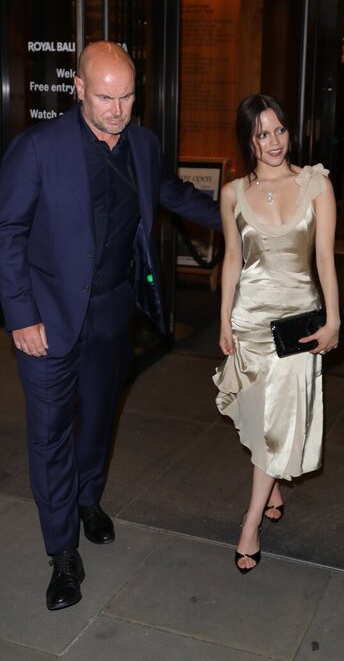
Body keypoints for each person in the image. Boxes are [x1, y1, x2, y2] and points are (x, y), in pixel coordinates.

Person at [0, 41, 221, 610]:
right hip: (47, 320)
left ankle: (87, 500)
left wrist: (246, 214)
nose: (118, 110)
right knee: (50, 435)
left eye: (127, 97)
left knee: (98, 421)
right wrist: (20, 316)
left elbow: (172, 194)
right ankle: (61, 553)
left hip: (111, 310)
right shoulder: (38, 148)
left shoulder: (143, 145)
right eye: (105, 98)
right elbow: (9, 233)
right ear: (78, 89)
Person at [212, 94, 340, 574]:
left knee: (277, 423)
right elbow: (233, 259)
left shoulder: (316, 183)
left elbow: (324, 257)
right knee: (255, 417)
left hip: (296, 326)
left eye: (280, 130)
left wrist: (333, 319)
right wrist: (224, 318)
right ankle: (273, 486)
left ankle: (250, 524)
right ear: (248, 139)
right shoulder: (232, 193)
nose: (273, 141)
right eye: (262, 133)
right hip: (249, 320)